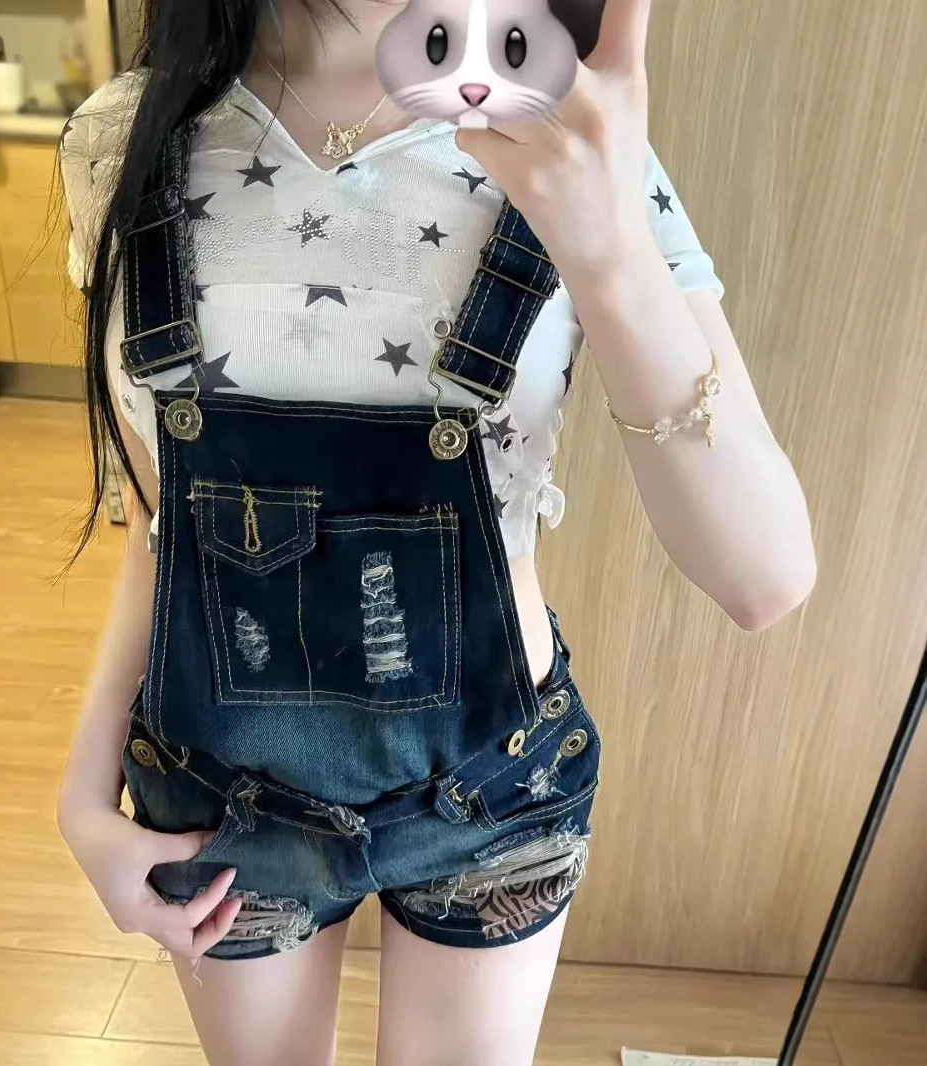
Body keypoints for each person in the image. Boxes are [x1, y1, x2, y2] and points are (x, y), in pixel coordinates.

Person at [56, 1, 817, 1063]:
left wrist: (608, 250)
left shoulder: (568, 136)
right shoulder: (119, 140)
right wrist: (82, 792)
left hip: (493, 782)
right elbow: (161, 526)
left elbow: (765, 575)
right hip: (216, 789)